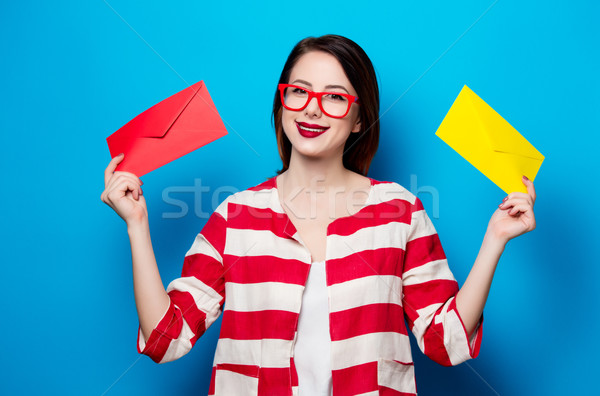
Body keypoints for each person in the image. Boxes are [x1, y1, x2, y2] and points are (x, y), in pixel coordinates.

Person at [101, 35, 537, 396]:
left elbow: (446, 342)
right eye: (299, 91)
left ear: (359, 117)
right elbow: (165, 339)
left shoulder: (399, 211)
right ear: (282, 102)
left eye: (334, 97)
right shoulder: (236, 216)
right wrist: (137, 225)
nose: (311, 108)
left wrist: (495, 238)